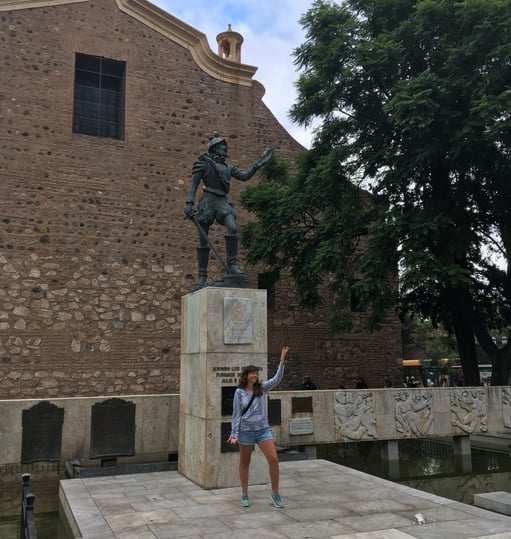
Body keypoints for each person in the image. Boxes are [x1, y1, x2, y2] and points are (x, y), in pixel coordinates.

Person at [184, 133, 273, 290]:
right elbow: (194, 185)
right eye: (222, 146)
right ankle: (202, 277)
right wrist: (189, 203)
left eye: (226, 146)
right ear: (215, 148)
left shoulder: (227, 168)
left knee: (232, 228)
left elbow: (244, 176)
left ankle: (231, 265)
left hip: (222, 202)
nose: (226, 148)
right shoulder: (203, 164)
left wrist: (258, 164)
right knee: (204, 241)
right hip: (207, 201)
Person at [228, 345, 289, 509]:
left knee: (274, 460)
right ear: (246, 376)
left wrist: (282, 360)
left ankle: (275, 494)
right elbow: (236, 415)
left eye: (256, 372)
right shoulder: (239, 393)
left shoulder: (262, 388)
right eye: (252, 373)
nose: (255, 375)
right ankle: (244, 494)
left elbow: (277, 379)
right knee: (245, 462)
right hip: (246, 432)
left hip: (263, 430)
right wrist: (234, 434)